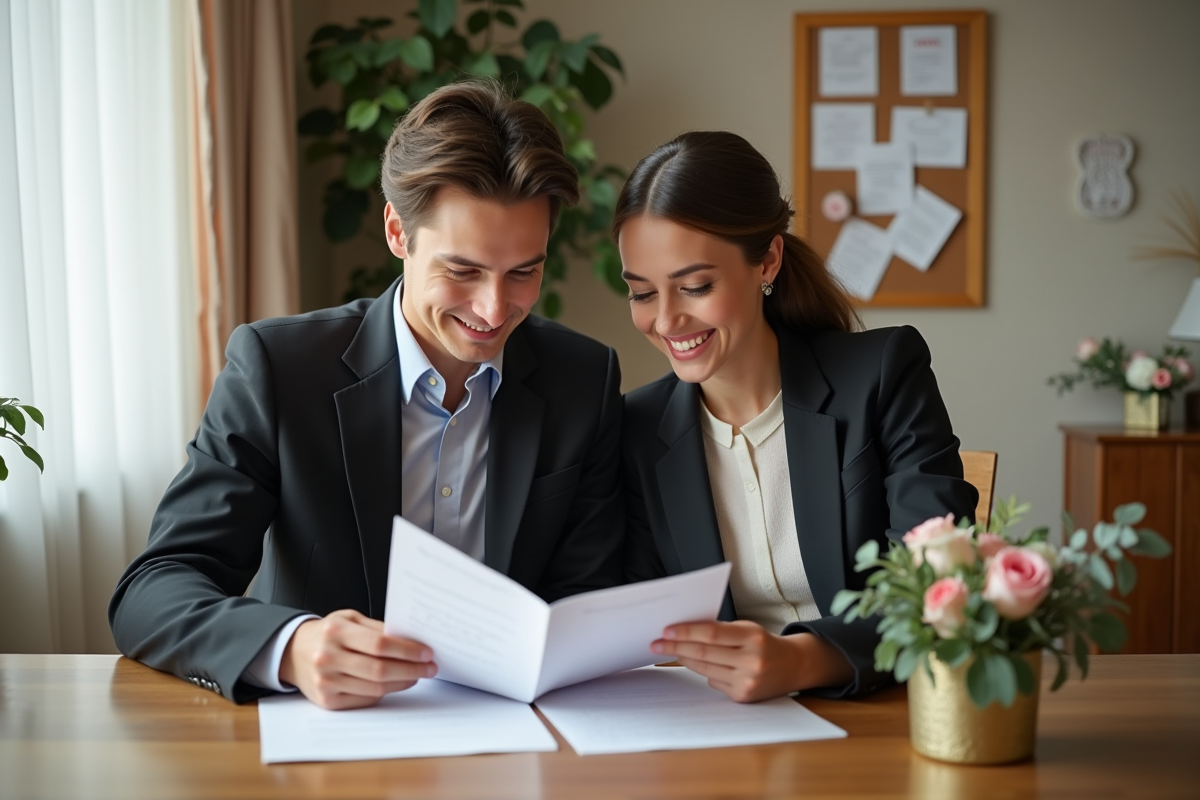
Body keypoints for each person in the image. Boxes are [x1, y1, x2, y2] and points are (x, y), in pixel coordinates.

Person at [109, 81, 624, 709]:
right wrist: (292, 648)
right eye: (462, 270)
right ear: (397, 233)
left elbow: (587, 597)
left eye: (524, 271)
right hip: (324, 740)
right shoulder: (279, 369)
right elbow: (154, 588)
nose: (494, 310)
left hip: (519, 740)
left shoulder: (584, 379)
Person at [617, 131, 977, 702]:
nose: (666, 321)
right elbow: (635, 623)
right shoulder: (634, 428)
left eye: (694, 287)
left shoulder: (883, 375)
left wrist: (804, 659)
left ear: (768, 260)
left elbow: (934, 586)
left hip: (883, 713)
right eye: (641, 293)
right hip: (717, 729)